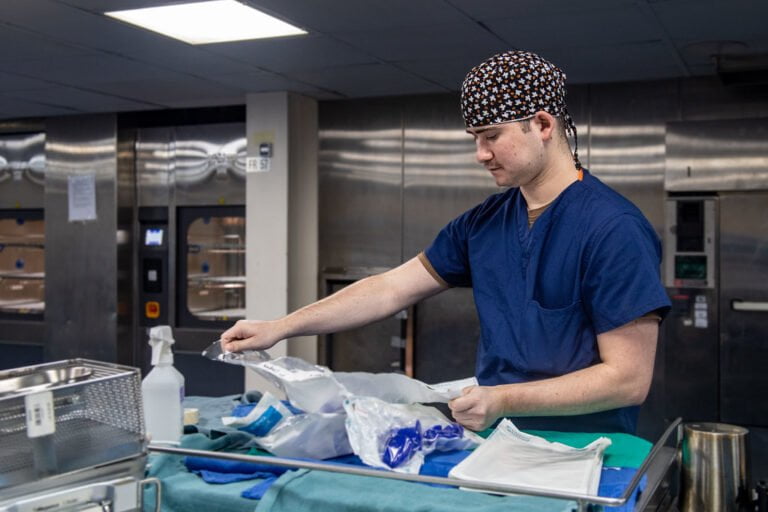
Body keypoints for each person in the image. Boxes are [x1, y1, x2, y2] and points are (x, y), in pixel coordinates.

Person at [221, 50, 671, 434]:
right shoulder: (485, 223)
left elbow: (628, 379)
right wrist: (280, 327)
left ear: (543, 124)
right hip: (493, 440)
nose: (480, 154)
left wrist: (503, 400)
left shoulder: (613, 229)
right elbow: (391, 288)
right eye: (475, 138)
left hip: (587, 450)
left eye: (492, 136)